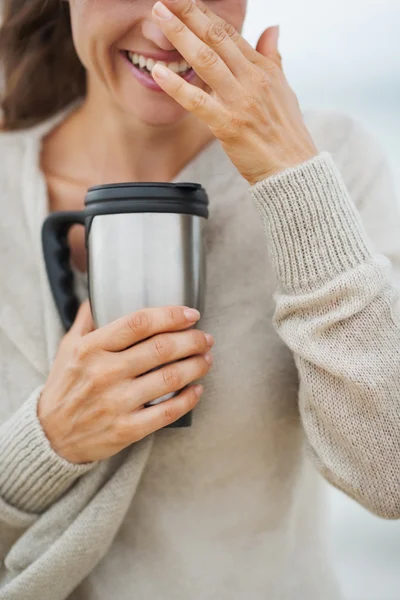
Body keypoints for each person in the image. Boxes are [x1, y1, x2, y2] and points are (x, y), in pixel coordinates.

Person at [0, 0, 399, 598]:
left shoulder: (334, 160)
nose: (164, 28)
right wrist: (48, 441)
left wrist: (290, 175)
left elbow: (389, 476)